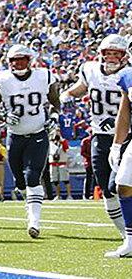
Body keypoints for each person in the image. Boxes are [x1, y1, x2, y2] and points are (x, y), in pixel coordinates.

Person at [0, 43, 62, 238]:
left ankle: (34, 222)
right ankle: (29, 202)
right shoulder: (1, 79)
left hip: (38, 133)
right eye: (14, 60)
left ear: (29, 61)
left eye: (22, 60)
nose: (18, 64)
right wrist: (3, 116)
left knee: (32, 176)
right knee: (20, 182)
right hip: (15, 135)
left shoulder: (43, 75)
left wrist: (53, 118)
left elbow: (55, 101)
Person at [60, 34, 129, 233]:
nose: (112, 58)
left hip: (126, 136)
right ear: (101, 54)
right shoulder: (90, 70)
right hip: (99, 136)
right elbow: (75, 91)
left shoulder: (129, 74)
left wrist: (117, 120)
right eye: (109, 54)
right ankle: (126, 235)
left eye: (117, 54)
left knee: (120, 184)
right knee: (107, 190)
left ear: (124, 56)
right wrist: (66, 96)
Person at [108, 62, 132, 257]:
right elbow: (124, 113)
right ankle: (131, 241)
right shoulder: (127, 75)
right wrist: (117, 145)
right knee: (123, 185)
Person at [49, 132, 70, 199]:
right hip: (53, 163)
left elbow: (66, 148)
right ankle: (58, 195)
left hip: (62, 162)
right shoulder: (51, 143)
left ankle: (69, 195)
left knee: (65, 180)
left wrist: (60, 138)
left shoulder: (63, 142)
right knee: (55, 181)